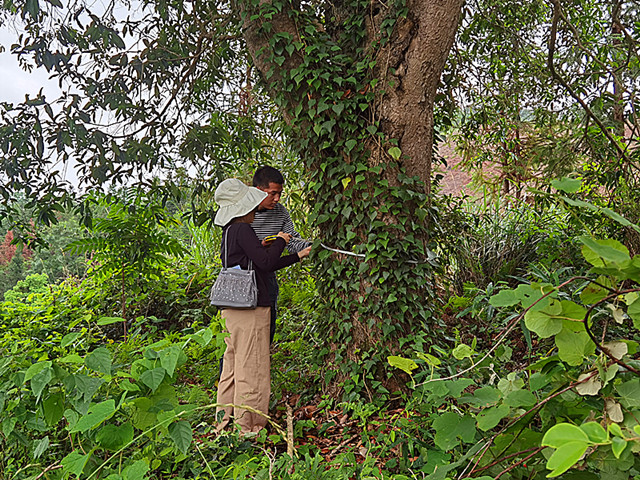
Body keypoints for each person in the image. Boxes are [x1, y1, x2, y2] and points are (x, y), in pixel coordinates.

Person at [213, 178, 311, 434]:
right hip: (251, 308)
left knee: (233, 367)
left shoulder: (229, 232)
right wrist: (281, 240)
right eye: (252, 207)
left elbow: (258, 262)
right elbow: (266, 263)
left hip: (231, 308)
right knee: (253, 367)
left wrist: (297, 256)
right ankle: (249, 428)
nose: (255, 212)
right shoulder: (243, 230)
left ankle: (223, 423)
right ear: (242, 209)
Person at [251, 166, 311, 343]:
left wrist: (311, 246)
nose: (277, 199)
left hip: (267, 275)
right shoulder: (243, 213)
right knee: (237, 334)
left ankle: (261, 367)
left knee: (267, 327)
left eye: (280, 194)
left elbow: (291, 241)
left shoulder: (281, 212)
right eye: (272, 193)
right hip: (242, 276)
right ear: (258, 191)